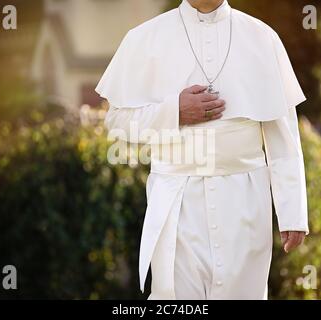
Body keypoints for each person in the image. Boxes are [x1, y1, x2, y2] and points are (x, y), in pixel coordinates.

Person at [96, 0, 309, 299]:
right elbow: (117, 122)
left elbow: (284, 139)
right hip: (177, 202)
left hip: (245, 202)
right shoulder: (144, 37)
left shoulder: (262, 37)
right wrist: (175, 112)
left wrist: (293, 214)